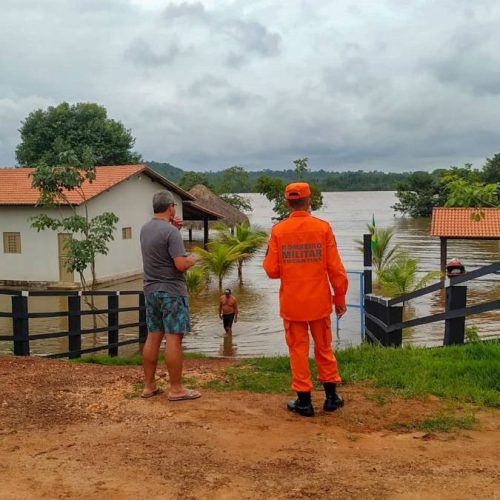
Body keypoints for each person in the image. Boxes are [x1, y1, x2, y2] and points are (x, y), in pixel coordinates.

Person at [263, 182, 348, 417]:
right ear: (310, 201)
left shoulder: (278, 231)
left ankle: (304, 401)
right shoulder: (323, 228)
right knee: (324, 347)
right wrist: (339, 298)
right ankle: (331, 398)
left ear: (287, 202)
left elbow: (271, 271)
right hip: (320, 302)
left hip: (292, 304)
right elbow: (336, 269)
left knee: (298, 351)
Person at [139, 190, 201, 401]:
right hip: (172, 292)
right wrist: (192, 258)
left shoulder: (145, 229)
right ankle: (176, 389)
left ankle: (149, 386)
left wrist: (173, 229)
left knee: (153, 335)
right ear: (171, 207)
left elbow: (159, 249)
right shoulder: (171, 233)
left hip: (151, 290)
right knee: (174, 338)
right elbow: (180, 265)